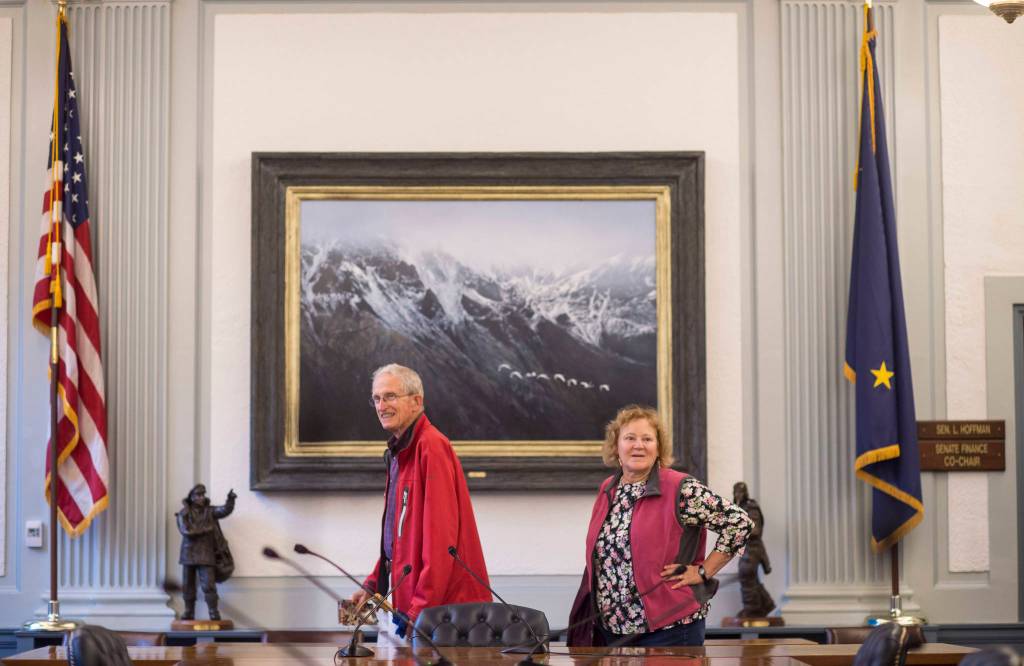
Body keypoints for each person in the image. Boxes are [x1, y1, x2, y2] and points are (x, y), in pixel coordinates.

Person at [569, 405, 753, 647]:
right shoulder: (609, 489)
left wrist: (703, 571)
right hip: (612, 631)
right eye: (630, 438)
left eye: (647, 439)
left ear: (658, 448)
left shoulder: (681, 488)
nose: (638, 445)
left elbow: (739, 523)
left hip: (670, 629)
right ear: (616, 446)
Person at [349, 363, 491, 642]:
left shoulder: (431, 446)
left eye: (390, 396)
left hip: (442, 615)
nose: (381, 406)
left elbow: (442, 542)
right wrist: (373, 584)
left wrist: (418, 610)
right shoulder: (400, 451)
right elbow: (398, 541)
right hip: (414, 607)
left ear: (416, 401)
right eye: (376, 398)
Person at [176, 484, 236, 621]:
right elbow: (186, 531)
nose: (202, 497)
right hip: (188, 554)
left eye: (203, 494)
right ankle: (189, 611)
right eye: (198, 495)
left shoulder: (209, 511)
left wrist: (230, 501)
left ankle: (213, 612)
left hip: (206, 553)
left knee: (209, 585)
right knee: (188, 585)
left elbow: (224, 510)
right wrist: (205, 530)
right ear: (192, 497)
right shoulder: (184, 513)